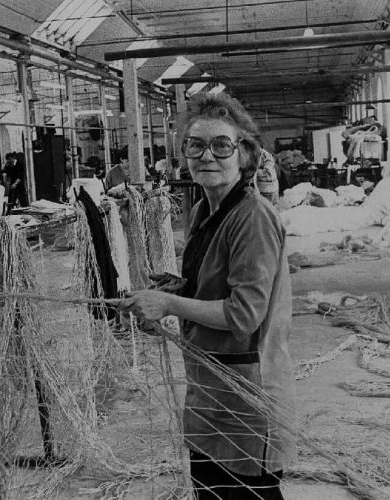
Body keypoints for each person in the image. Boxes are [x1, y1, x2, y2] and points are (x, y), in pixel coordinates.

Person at [119, 93, 296, 499]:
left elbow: (244, 315)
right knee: (210, 489)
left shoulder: (253, 219)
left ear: (244, 154)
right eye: (195, 145)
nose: (207, 156)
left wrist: (168, 304)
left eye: (221, 145)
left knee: (245, 493)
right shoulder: (202, 209)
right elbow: (217, 287)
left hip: (247, 390)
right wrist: (179, 288)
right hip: (209, 382)